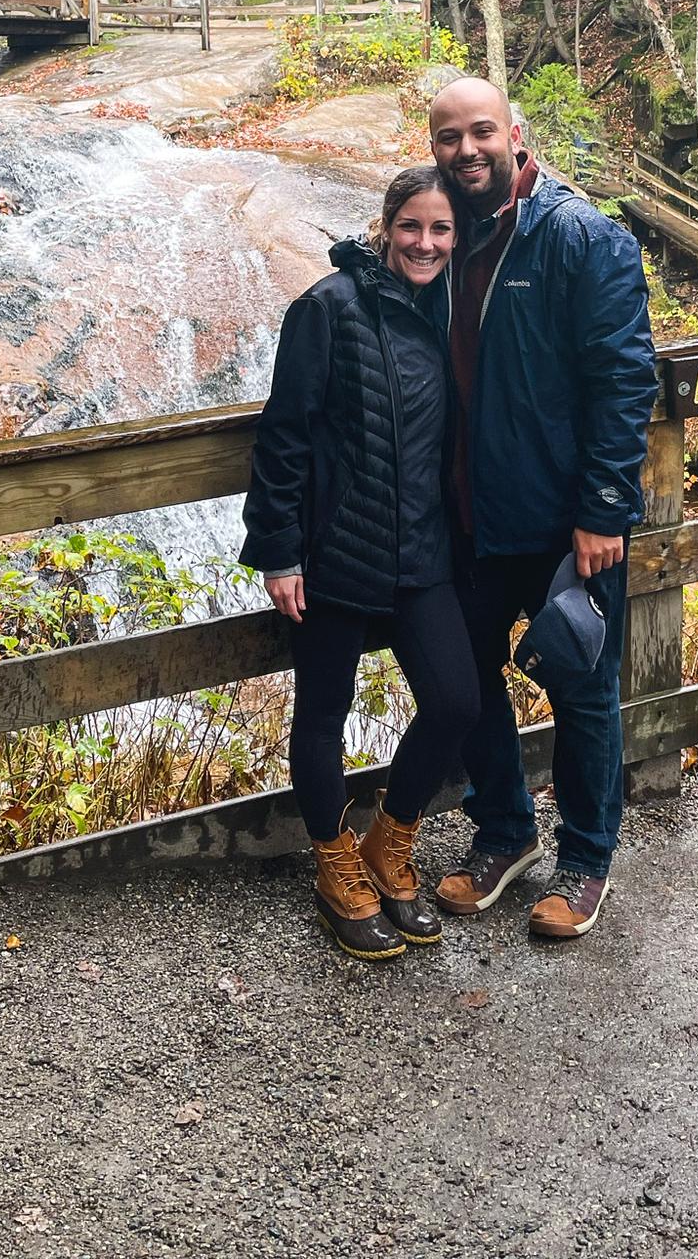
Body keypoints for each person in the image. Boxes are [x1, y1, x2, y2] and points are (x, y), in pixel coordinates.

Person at [424, 76, 660, 940]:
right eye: (449, 139)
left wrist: (603, 507)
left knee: (585, 689)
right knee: (467, 681)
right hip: (469, 519)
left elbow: (626, 377)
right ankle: (505, 834)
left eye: (480, 133)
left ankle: (587, 859)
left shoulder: (576, 235)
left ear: (514, 134)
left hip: (568, 524)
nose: (466, 151)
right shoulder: (444, 230)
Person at [240, 167, 479, 962]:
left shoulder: (450, 304)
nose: (425, 242)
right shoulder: (326, 308)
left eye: (441, 230)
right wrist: (278, 550)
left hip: (423, 550)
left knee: (455, 700)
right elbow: (284, 436)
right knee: (323, 713)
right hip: (336, 549)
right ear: (385, 226)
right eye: (412, 226)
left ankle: (389, 842)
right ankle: (334, 863)